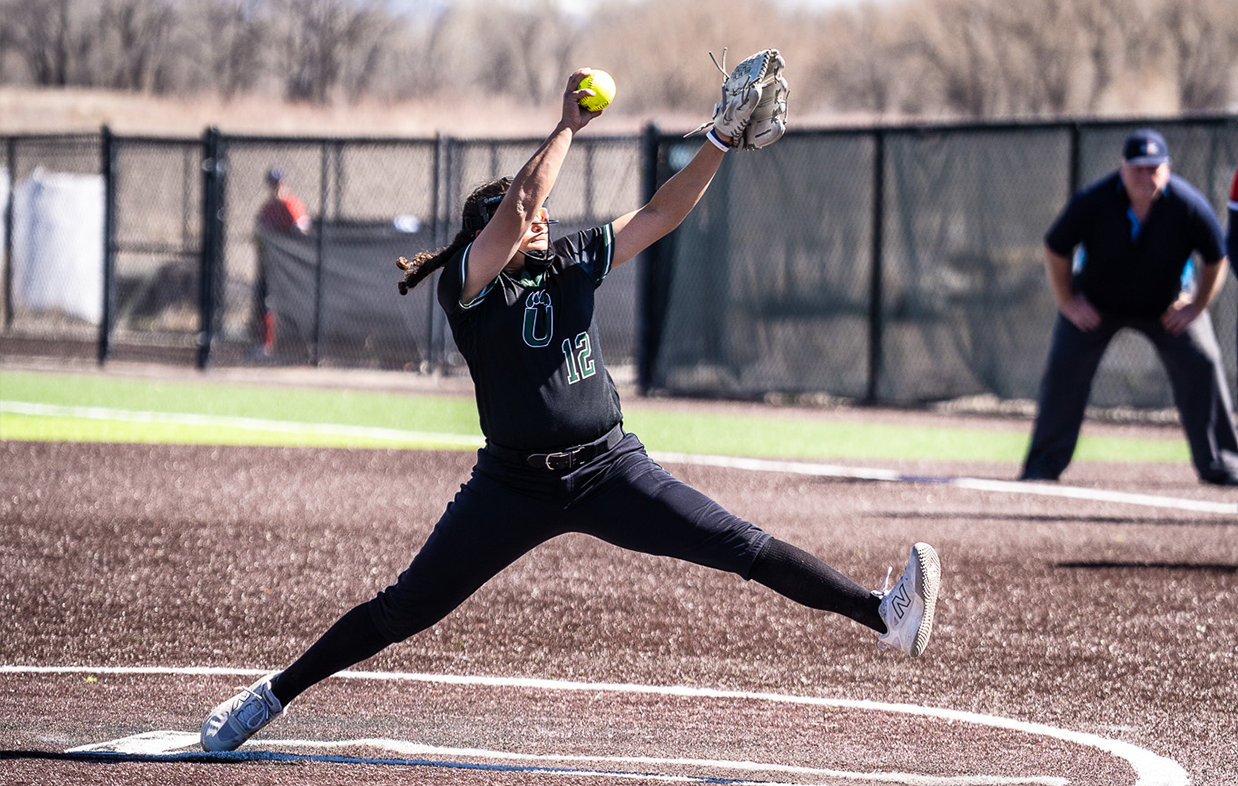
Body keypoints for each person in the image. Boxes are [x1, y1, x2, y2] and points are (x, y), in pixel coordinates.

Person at [200, 67, 942, 753]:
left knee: (741, 545)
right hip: (512, 487)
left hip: (609, 467)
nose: (541, 219)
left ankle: (883, 614)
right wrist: (568, 126)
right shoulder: (468, 285)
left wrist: (717, 142)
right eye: (524, 219)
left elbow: (657, 213)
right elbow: (519, 201)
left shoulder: (572, 259)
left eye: (545, 213)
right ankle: (272, 694)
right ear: (487, 235)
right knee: (404, 611)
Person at [1021, 129, 1238, 485]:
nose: (1146, 176)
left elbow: (1217, 256)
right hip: (1097, 305)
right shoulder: (1095, 200)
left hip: (1166, 307)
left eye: (1154, 167)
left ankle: (1223, 464)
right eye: (1137, 167)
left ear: (1167, 168)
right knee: (1064, 365)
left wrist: (1197, 306)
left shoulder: (1186, 204)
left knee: (1204, 358)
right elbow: (1054, 246)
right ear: (1122, 169)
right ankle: (1042, 465)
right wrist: (1068, 302)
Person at [251, 167, 311, 358]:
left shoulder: (291, 204)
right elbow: (259, 232)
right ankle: (265, 347)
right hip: (268, 264)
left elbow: (303, 230)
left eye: (278, 182)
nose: (275, 186)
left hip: (288, 266)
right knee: (263, 302)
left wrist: (283, 239)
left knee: (291, 305)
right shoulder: (267, 207)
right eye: (272, 183)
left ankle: (302, 348)